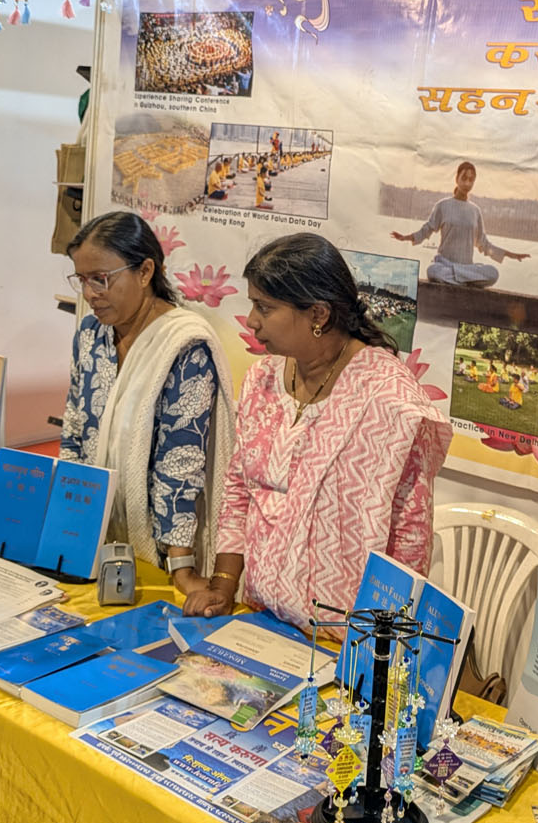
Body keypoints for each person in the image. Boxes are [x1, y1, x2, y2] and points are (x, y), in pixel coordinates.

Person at [184, 234, 451, 630]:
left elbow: (408, 541)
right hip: (261, 616)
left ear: (318, 314)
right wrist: (223, 584)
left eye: (264, 307)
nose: (252, 320)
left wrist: (377, 646)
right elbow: (240, 489)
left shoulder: (391, 401)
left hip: (343, 634)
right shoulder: (263, 379)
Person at [61, 212, 234, 593]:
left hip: (160, 553)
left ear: (144, 272)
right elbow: (75, 429)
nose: (90, 294)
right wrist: (67, 526)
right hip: (91, 539)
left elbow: (181, 461)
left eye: (101, 278)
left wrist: (182, 567)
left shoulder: (184, 344)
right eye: (82, 280)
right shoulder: (91, 334)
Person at [392, 161, 528, 287]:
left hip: (466, 267)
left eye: (471, 180)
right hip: (445, 265)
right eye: (464, 178)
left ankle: (458, 279)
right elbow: (427, 229)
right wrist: (406, 237)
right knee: (433, 271)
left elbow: (484, 244)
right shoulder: (443, 206)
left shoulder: (475, 211)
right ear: (456, 178)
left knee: (493, 273)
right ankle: (466, 280)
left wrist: (511, 254)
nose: (467, 183)